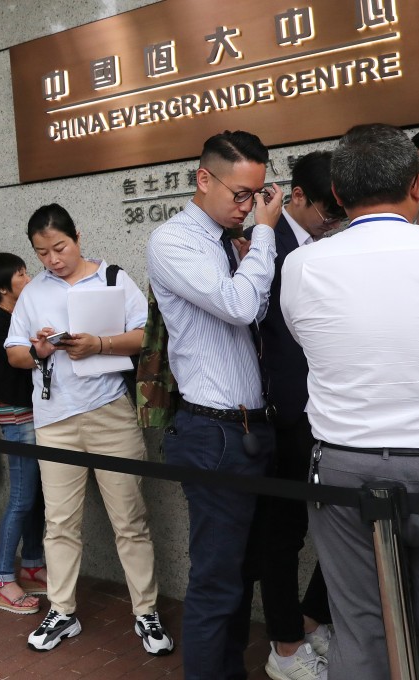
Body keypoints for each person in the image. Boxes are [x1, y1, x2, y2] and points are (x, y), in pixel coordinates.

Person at [281, 123, 419, 680]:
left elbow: (307, 338)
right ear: (416, 184)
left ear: (337, 194)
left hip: (341, 468)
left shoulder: (303, 265)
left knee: (359, 627)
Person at [147, 130, 284, 678]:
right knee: (215, 582)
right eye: (241, 194)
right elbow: (238, 304)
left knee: (241, 573)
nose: (248, 206)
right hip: (213, 433)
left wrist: (254, 244)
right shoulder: (173, 241)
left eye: (256, 195)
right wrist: (267, 236)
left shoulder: (231, 242)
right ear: (204, 178)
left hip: (253, 429)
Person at [6, 204, 173, 655]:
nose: (53, 259)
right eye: (42, 253)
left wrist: (99, 344)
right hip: (55, 421)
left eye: (59, 247)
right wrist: (40, 350)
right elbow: (14, 353)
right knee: (59, 523)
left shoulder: (114, 278)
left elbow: (148, 334)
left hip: (110, 414)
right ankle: (62, 610)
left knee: (130, 520)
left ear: (77, 236)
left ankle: (146, 610)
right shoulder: (34, 292)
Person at [245, 151, 340, 679]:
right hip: (282, 415)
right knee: (280, 537)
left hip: (324, 411)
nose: (333, 224)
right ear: (296, 196)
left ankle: (308, 621)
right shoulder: (265, 243)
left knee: (336, 527)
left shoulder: (320, 244)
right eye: (327, 213)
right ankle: (284, 649)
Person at [0, 252, 44, 615]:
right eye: (21, 273)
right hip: (19, 420)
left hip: (31, 416)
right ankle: (2, 579)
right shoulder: (0, 322)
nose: (28, 276)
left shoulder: (15, 316)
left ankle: (33, 566)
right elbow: (12, 376)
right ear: (4, 288)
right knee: (21, 498)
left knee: (36, 498)